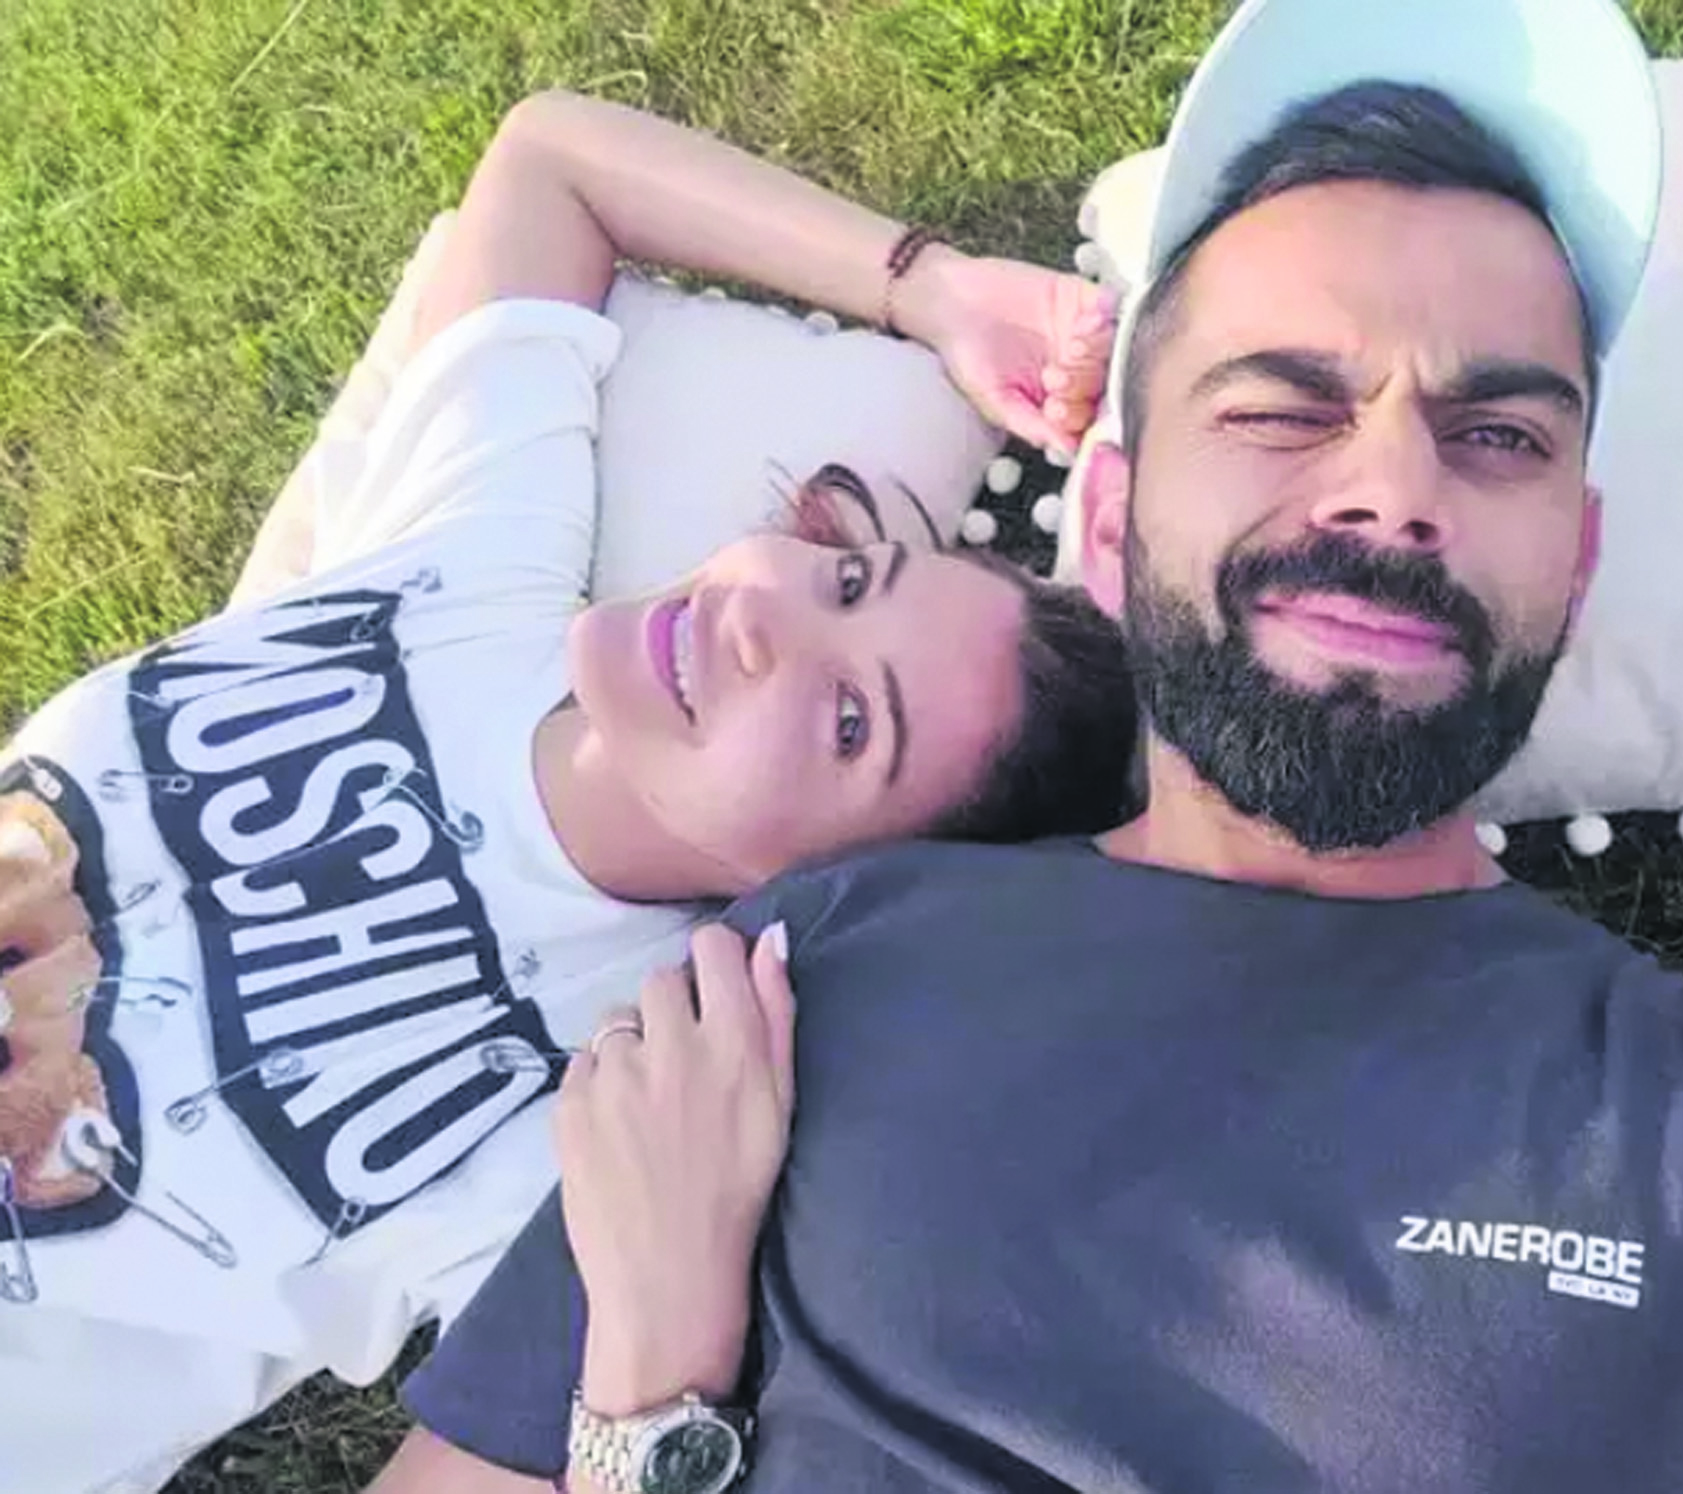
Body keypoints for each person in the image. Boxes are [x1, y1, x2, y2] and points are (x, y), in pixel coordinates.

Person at [378, 0, 1683, 1491]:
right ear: (1110, 522)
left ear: (1577, 559)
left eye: (1496, 434)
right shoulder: (811, 973)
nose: (1392, 488)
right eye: (1278, 408)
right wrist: (648, 1402)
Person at [0, 90, 1142, 1494]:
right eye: (848, 579)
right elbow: (550, 163)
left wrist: (652, 1374)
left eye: (851, 720)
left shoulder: (618, 1102)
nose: (762, 618)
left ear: (846, 882)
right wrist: (937, 290)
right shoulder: (471, 571)